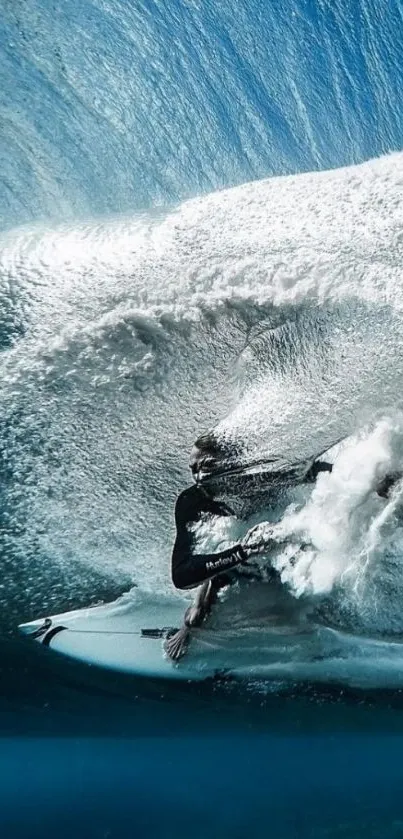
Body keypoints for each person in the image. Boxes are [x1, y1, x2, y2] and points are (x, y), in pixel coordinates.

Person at [164, 459, 403, 661]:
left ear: (227, 467)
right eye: (193, 467)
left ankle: (300, 615)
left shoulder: (258, 480)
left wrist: (375, 481)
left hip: (277, 554)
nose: (197, 474)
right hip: (236, 555)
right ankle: (195, 618)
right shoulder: (194, 499)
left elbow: (315, 470)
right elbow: (183, 575)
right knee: (199, 608)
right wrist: (242, 552)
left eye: (205, 466)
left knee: (301, 556)